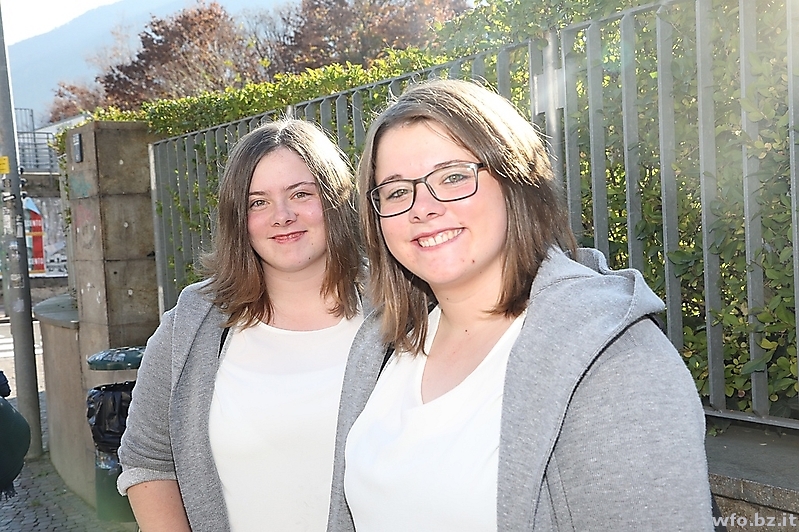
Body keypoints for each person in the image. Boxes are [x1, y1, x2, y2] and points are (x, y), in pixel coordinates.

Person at [326, 78, 715, 531]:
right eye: (395, 191)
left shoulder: (615, 362)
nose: (422, 207)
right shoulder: (380, 348)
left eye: (453, 177)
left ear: (517, 182)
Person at [117, 118, 364, 532]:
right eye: (258, 202)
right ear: (238, 218)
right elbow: (148, 460)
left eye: (301, 194)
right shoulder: (191, 327)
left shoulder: (400, 315)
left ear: (337, 200)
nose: (282, 216)